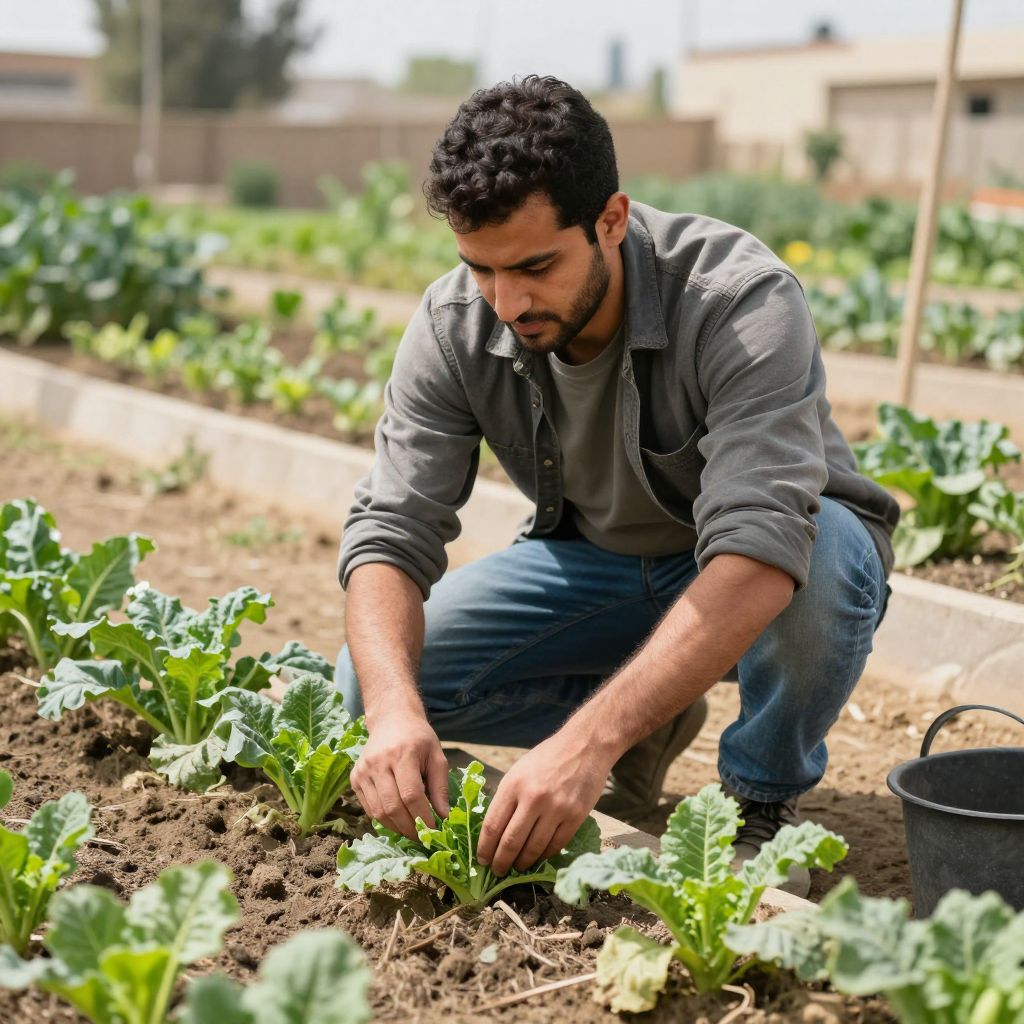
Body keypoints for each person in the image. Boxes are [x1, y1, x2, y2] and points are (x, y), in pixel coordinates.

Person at [334, 75, 899, 897]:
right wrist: (392, 715)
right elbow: (390, 529)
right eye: (482, 270)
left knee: (821, 558)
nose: (507, 301)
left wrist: (582, 744)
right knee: (370, 680)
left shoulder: (738, 298)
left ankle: (756, 803)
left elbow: (760, 551)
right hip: (598, 566)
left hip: (759, 572)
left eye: (535, 266)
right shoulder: (455, 322)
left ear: (612, 219)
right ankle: (648, 724)